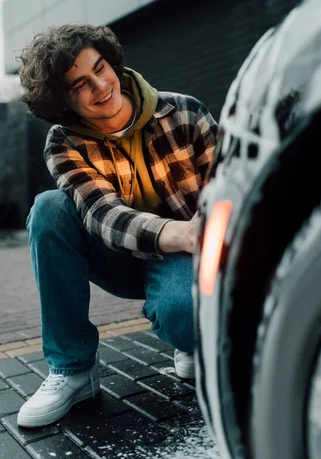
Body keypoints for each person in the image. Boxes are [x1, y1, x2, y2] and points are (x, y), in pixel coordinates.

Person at [17, 23, 217, 428]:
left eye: (100, 68)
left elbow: (229, 188)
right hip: (121, 254)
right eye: (79, 85)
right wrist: (178, 232)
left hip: (186, 257)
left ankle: (189, 334)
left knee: (186, 314)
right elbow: (99, 213)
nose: (101, 86)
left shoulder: (185, 111)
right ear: (62, 101)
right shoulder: (64, 142)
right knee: (49, 209)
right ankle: (73, 370)